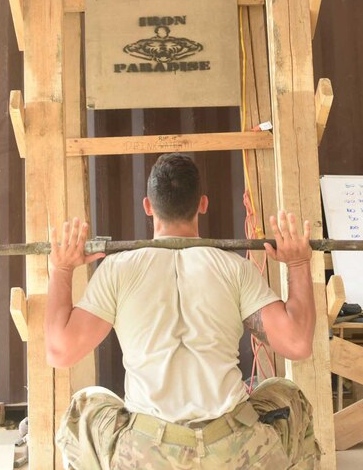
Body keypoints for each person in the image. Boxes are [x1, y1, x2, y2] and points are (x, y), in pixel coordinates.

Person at [46, 153, 319, 469]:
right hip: (233, 451)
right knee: (286, 394)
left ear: (148, 206)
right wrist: (298, 264)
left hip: (147, 456)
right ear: (202, 204)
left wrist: (62, 268)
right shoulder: (235, 268)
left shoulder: (118, 269)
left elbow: (59, 352)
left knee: (85, 407)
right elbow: (298, 344)